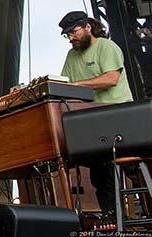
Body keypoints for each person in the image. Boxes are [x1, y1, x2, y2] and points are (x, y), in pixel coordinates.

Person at [59, 11, 133, 219]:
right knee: (99, 169)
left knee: (122, 166)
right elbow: (65, 84)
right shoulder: (71, 56)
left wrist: (77, 85)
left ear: (88, 27)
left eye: (73, 32)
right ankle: (112, 218)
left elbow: (111, 79)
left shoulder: (106, 46)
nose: (71, 38)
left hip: (118, 114)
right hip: (93, 120)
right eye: (67, 35)